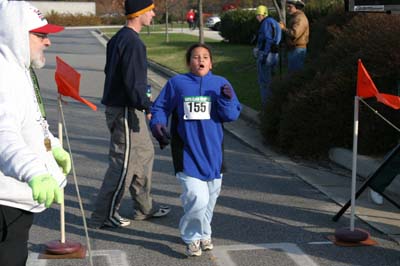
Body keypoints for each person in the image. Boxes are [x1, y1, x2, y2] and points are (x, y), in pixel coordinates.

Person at [149, 44, 241, 256]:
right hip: (187, 152)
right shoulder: (177, 84)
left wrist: (226, 100)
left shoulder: (220, 84)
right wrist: (158, 124)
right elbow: (161, 107)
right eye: (196, 57)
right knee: (196, 198)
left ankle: (205, 232)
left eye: (205, 57)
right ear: (189, 61)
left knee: (210, 198)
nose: (200, 60)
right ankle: (191, 238)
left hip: (214, 153)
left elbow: (232, 115)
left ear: (211, 62)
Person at [90, 0, 170, 229]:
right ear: (141, 13)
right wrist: (148, 106)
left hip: (129, 108)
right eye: (151, 10)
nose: (154, 14)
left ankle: (144, 207)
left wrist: (142, 104)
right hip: (125, 110)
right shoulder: (133, 43)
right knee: (122, 164)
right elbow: (133, 82)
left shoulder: (118, 39)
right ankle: (103, 214)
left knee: (144, 155)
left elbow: (115, 73)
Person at [0, 1, 69, 265]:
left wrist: (53, 146)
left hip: (17, 201)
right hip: (5, 205)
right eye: (40, 35)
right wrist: (36, 172)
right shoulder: (3, 75)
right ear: (15, 33)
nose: (48, 42)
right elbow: (3, 135)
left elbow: (33, 120)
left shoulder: (19, 69)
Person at [255, 5, 282, 107]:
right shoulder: (274, 22)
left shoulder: (265, 23)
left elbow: (268, 40)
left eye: (258, 15)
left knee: (264, 82)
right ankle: (275, 103)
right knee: (273, 80)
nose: (257, 17)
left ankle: (266, 106)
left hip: (267, 55)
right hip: (275, 54)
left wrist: (264, 56)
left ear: (263, 15)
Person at [279, 0, 309, 73]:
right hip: (294, 49)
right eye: (287, 7)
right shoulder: (295, 17)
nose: (288, 8)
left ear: (297, 7)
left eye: (290, 7)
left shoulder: (299, 18)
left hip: (297, 50)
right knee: (293, 74)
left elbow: (295, 34)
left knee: (295, 75)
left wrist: (283, 28)